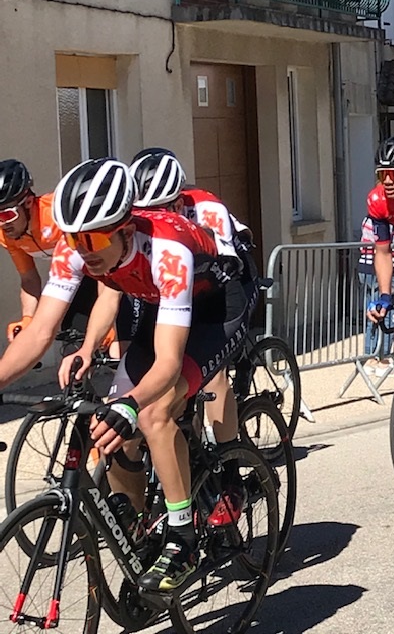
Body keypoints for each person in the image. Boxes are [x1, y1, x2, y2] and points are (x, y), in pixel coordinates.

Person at [0, 158, 251, 592]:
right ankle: (139, 530)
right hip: (161, 303)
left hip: (218, 309)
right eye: (75, 238)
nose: (83, 250)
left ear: (125, 230)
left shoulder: (167, 250)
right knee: (108, 424)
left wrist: (131, 405)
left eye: (94, 238)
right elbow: (41, 329)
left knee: (152, 414)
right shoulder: (77, 248)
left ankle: (183, 539)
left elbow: (169, 363)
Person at [127, 150, 258, 524]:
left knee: (212, 376)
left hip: (223, 293)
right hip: (181, 292)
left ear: (179, 199)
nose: (152, 218)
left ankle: (231, 479)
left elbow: (226, 273)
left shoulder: (205, 210)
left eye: (162, 208)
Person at [0, 159, 98, 341]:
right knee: (70, 332)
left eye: (6, 214)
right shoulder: (7, 234)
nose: (2, 224)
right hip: (77, 274)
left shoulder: (57, 214)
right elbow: (29, 279)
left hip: (106, 270)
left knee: (114, 342)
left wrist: (105, 319)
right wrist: (28, 319)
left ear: (28, 202)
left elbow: (101, 257)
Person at [357, 215, 394, 376]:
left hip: (366, 267)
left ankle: (371, 357)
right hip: (381, 270)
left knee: (372, 311)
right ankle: (383, 359)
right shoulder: (386, 221)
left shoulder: (367, 220)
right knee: (386, 314)